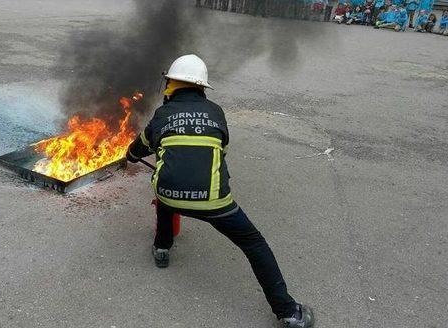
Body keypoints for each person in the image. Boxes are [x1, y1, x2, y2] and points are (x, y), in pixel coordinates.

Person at [126, 54, 315, 328]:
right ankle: (288, 312)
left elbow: (141, 146)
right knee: (254, 243)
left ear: (170, 85)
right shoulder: (216, 112)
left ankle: (162, 248)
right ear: (202, 87)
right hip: (213, 201)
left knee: (166, 194)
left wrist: (131, 155)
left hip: (168, 193)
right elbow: (221, 152)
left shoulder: (162, 114)